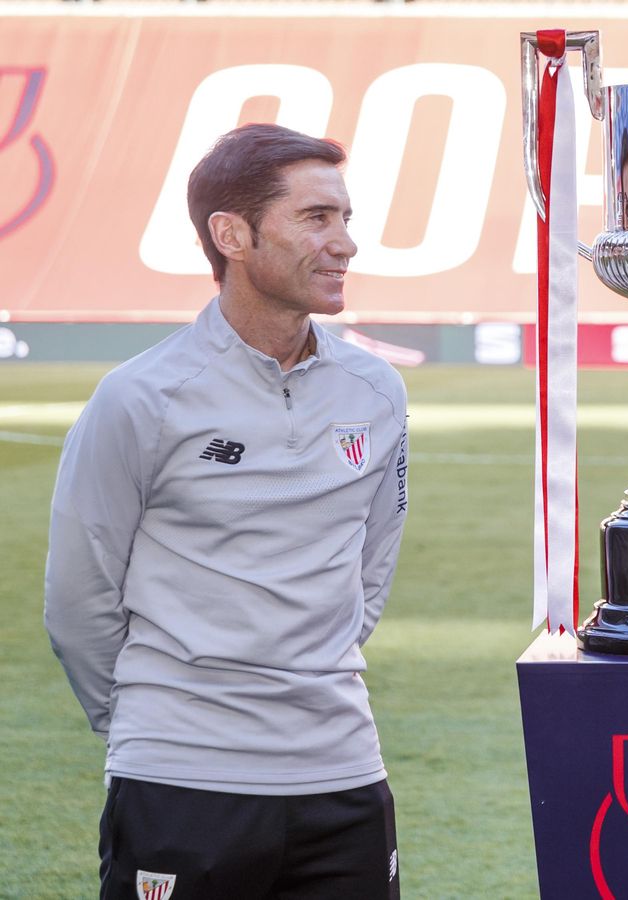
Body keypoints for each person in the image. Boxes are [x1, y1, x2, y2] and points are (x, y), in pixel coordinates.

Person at [45, 123, 409, 899]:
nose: (344, 243)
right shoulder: (141, 397)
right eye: (316, 218)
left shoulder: (376, 393)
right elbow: (79, 598)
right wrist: (159, 721)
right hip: (181, 773)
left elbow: (369, 573)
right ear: (231, 234)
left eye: (345, 218)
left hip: (342, 773)